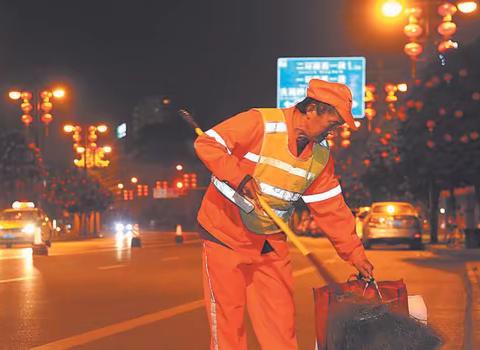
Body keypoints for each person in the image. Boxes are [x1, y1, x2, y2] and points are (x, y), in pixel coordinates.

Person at [194, 79, 374, 350]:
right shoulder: (259, 122)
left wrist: (355, 255)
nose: (334, 131)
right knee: (228, 321)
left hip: (270, 240)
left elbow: (331, 208)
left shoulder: (320, 156)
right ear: (311, 109)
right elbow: (207, 144)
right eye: (333, 123)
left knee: (280, 321)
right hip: (224, 233)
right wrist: (238, 177)